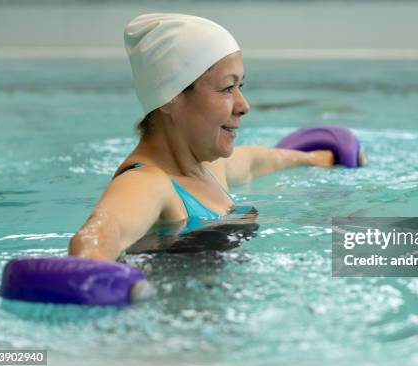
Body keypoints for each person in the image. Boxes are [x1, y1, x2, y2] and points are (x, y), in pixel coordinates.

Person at [68, 13, 334, 261]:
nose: (244, 105)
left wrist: (314, 157)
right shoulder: (147, 184)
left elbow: (256, 161)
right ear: (169, 98)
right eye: (227, 88)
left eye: (240, 86)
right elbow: (101, 233)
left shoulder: (207, 167)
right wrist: (89, 264)